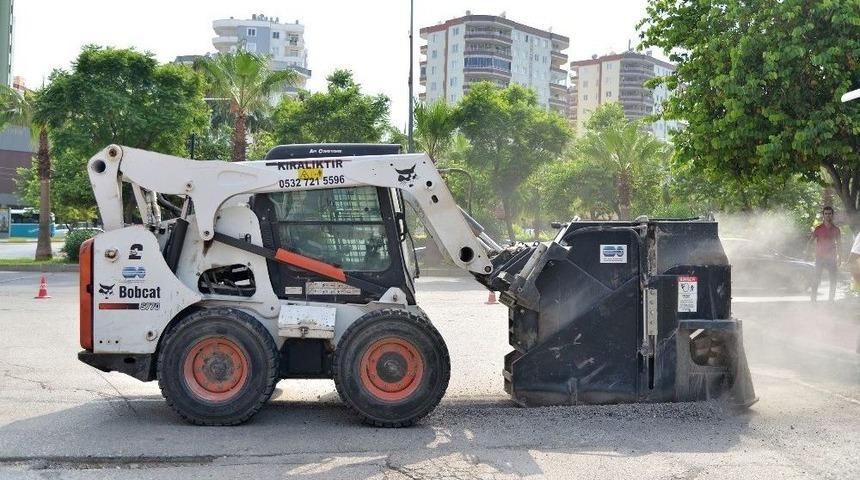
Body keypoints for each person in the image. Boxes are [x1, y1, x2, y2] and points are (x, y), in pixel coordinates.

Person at [807, 206, 841, 301]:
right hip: (820, 258)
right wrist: (808, 254)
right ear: (823, 215)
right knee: (816, 280)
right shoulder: (818, 228)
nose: (828, 215)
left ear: (832, 215)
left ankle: (831, 301)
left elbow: (839, 244)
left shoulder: (836, 230)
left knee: (833, 281)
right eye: (826, 213)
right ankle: (813, 301)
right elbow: (810, 242)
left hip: (832, 259)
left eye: (829, 213)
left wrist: (840, 258)